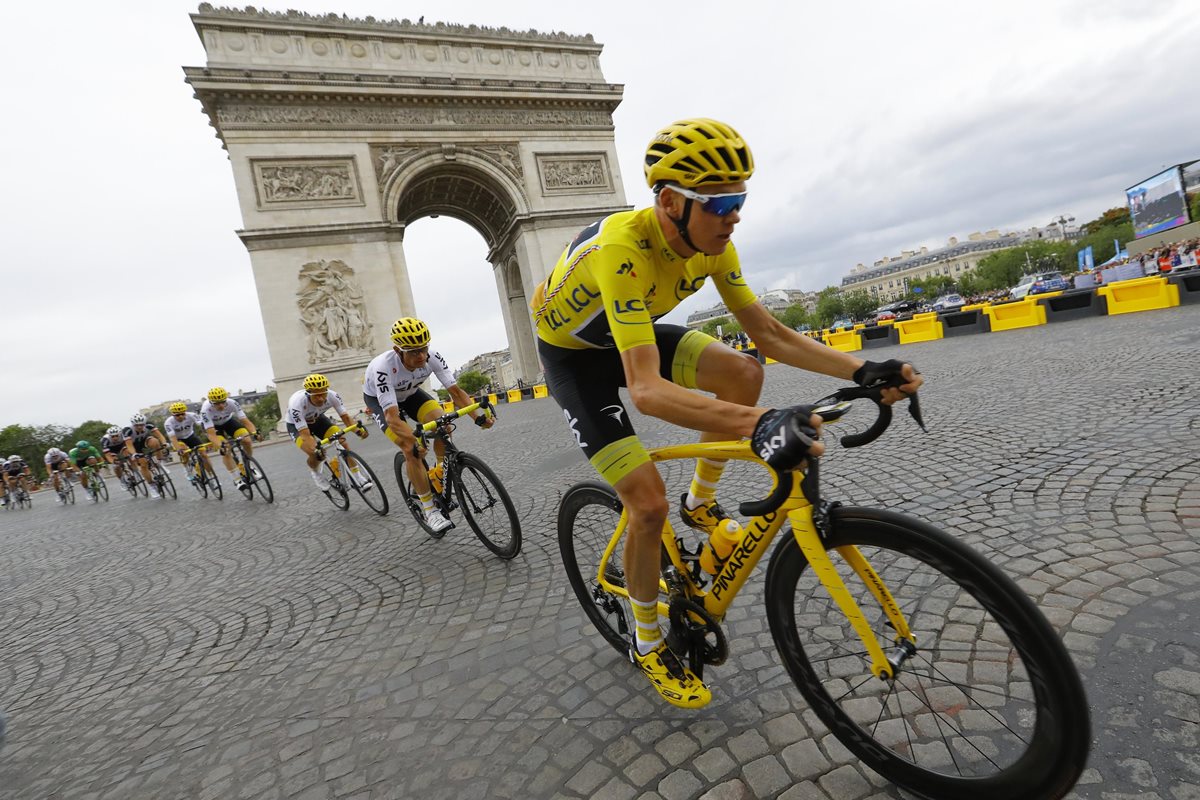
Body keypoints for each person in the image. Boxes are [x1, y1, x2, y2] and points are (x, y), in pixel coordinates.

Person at [532, 118, 922, 708]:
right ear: (669, 202)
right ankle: (646, 639)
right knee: (646, 502)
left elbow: (767, 334)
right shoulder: (623, 250)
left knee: (743, 372)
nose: (736, 214)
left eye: (741, 199)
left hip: (628, 330)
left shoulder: (714, 244)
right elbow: (645, 390)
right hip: (576, 359)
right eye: (722, 202)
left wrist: (860, 372)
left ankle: (701, 501)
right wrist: (762, 423)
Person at [362, 317, 494, 533]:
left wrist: (478, 417)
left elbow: (456, 393)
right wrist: (413, 441)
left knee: (443, 425)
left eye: (424, 349)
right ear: (398, 350)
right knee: (411, 450)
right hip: (382, 403)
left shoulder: (432, 357)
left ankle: (439, 472)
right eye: (413, 352)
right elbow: (393, 417)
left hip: (411, 395)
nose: (421, 356)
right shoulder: (383, 368)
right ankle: (429, 509)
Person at [286, 373, 370, 492]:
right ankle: (316, 473)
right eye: (316, 395)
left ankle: (358, 477)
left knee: (342, 443)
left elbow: (346, 417)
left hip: (318, 420)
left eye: (323, 394)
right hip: (297, 427)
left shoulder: (332, 395)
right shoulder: (297, 404)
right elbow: (305, 434)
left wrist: (358, 430)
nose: (321, 398)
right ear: (308, 394)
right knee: (316, 454)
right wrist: (316, 449)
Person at [200, 388, 259, 490]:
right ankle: (237, 479)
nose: (221, 405)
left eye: (223, 402)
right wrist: (220, 446)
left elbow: (245, 421)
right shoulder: (205, 410)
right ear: (211, 402)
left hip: (228, 421)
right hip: (213, 427)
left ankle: (248, 465)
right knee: (226, 449)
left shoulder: (232, 403)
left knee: (247, 440)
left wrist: (255, 433)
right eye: (217, 404)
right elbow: (211, 434)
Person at [163, 402, 214, 480]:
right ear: (173, 415)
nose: (180, 416)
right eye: (177, 415)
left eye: (183, 414)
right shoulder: (168, 422)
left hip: (190, 436)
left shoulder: (191, 415)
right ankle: (187, 469)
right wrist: (178, 450)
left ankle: (211, 475)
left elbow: (202, 425)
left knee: (204, 454)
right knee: (183, 451)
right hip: (178, 439)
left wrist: (209, 436)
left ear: (185, 412)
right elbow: (173, 438)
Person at [123, 414, 169, 498]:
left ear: (144, 423)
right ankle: (151, 485)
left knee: (155, 441)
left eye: (141, 425)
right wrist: (134, 454)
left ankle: (160, 462)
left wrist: (164, 443)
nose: (140, 427)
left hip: (145, 440)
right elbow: (129, 445)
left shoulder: (149, 424)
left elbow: (160, 435)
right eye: (137, 425)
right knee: (143, 464)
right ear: (133, 424)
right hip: (134, 446)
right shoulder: (127, 430)